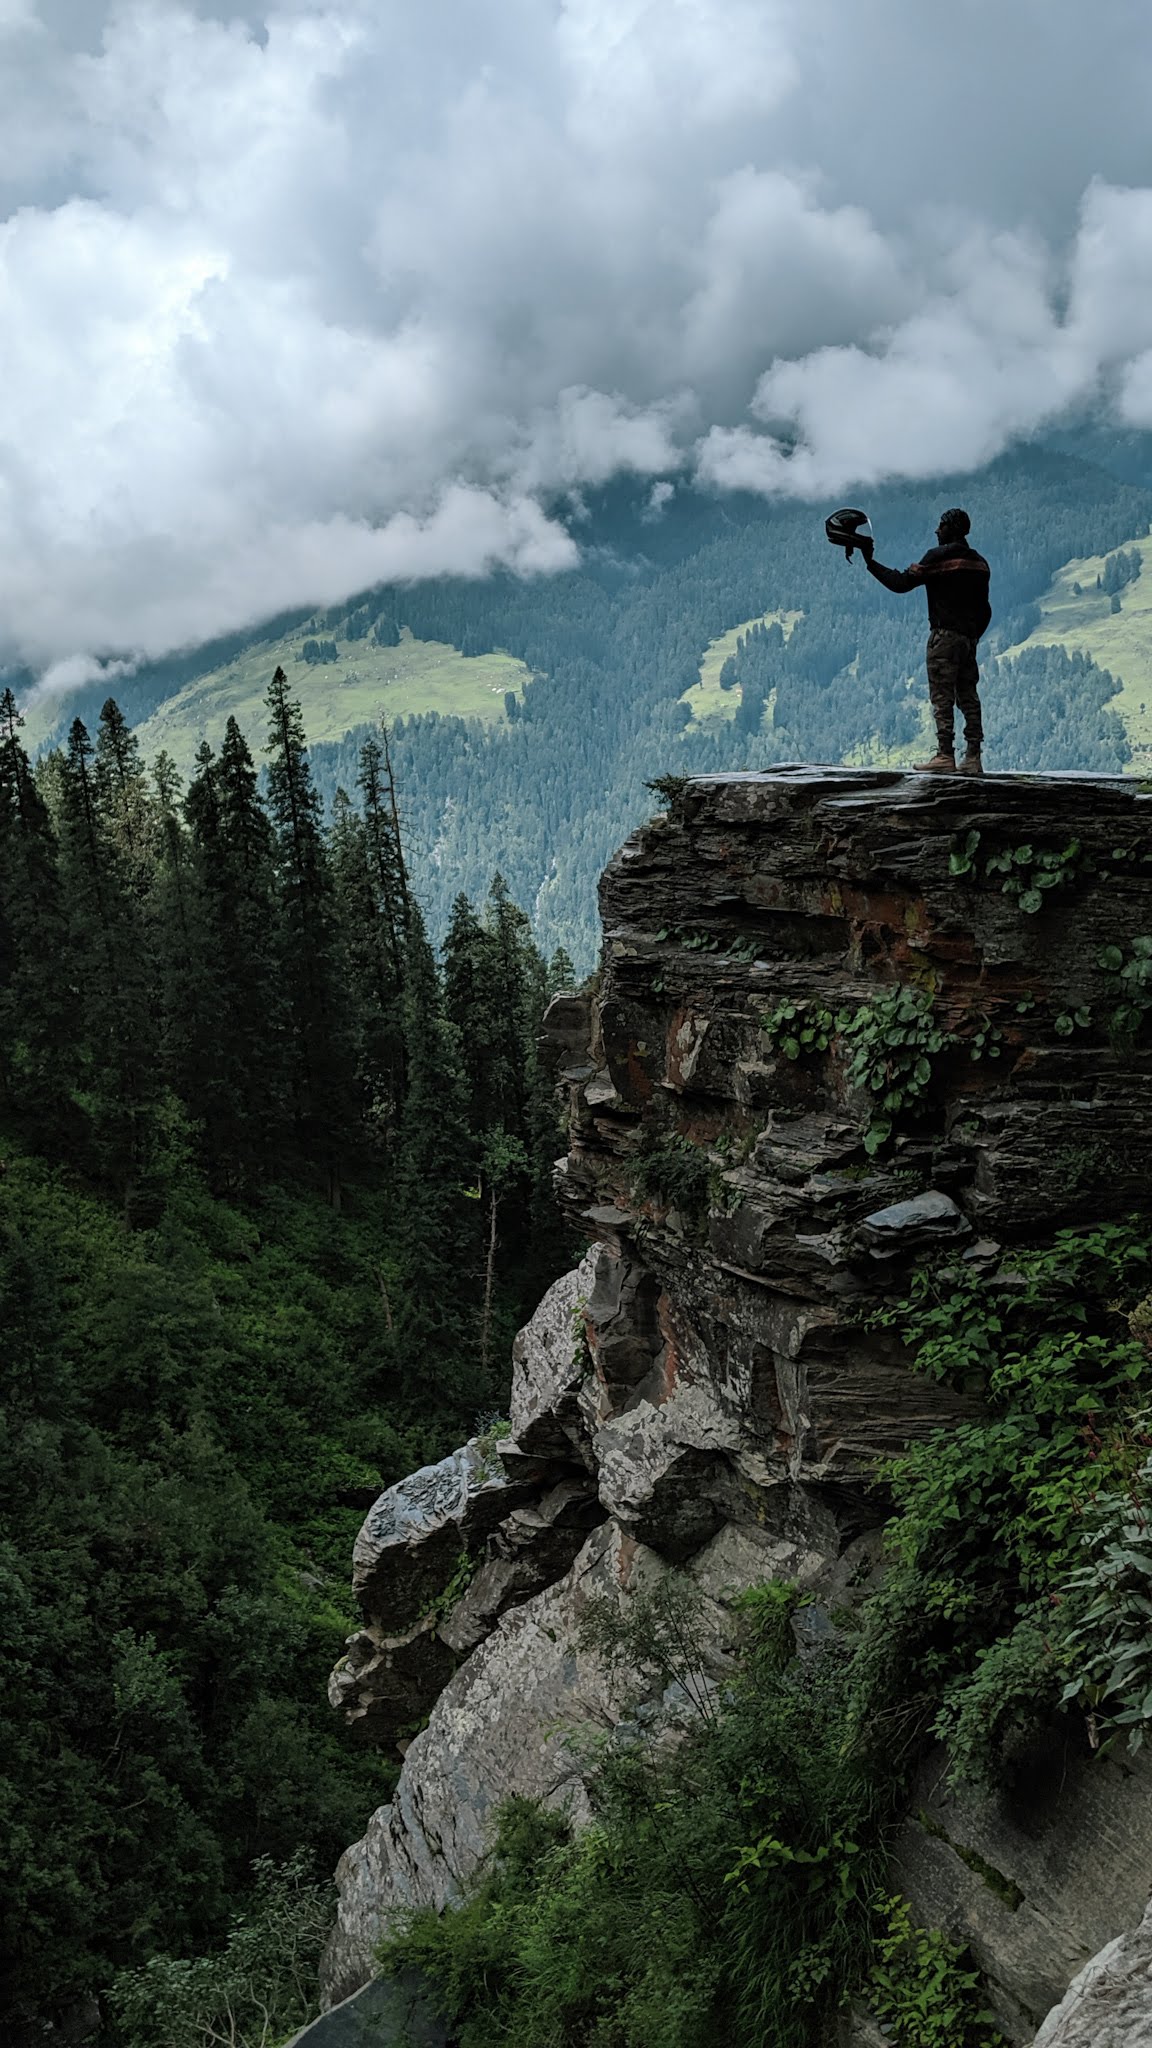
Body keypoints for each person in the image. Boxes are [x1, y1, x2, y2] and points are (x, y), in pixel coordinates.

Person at [857, 508, 991, 775]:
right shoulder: (979, 564)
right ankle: (973, 756)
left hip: (943, 638)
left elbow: (900, 583)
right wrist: (974, 635)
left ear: (951, 529)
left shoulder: (937, 558)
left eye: (941, 526)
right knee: (968, 695)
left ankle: (945, 755)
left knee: (942, 696)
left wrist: (870, 562)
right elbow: (985, 609)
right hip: (968, 639)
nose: (936, 531)